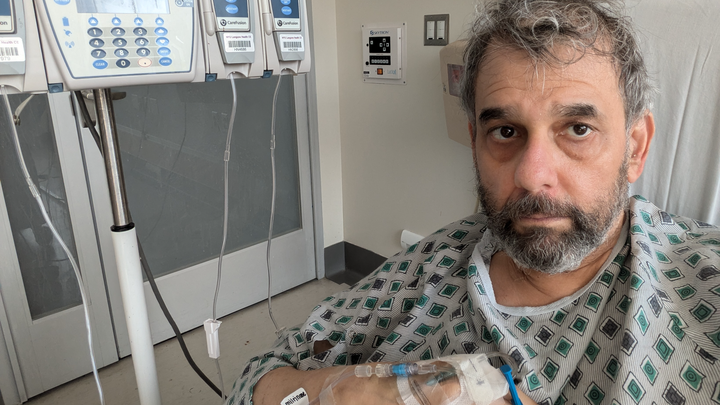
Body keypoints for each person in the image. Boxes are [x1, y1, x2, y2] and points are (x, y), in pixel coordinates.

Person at [225, 1, 720, 404]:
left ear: (635, 148)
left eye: (577, 129)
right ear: (475, 141)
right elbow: (257, 380)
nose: (531, 175)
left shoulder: (699, 289)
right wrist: (351, 390)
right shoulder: (432, 264)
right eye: (504, 131)